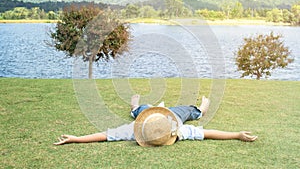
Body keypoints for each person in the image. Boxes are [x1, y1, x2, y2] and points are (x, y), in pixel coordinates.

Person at [54, 95, 257, 146]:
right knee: (188, 110)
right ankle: (200, 110)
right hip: (168, 114)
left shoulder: (134, 130)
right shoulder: (178, 131)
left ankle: (135, 107)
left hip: (169, 114)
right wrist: (237, 135)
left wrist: (77, 138)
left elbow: (105, 136)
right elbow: (208, 133)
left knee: (142, 109)